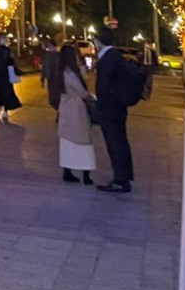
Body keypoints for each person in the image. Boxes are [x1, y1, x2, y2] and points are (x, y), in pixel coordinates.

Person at [93, 26, 134, 193]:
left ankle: (120, 180)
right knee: (121, 142)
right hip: (119, 107)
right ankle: (124, 177)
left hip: (110, 109)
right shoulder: (117, 56)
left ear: (98, 42)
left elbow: (103, 86)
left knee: (115, 144)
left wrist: (99, 106)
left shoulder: (107, 59)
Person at [49, 43, 96, 184]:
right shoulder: (69, 73)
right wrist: (91, 96)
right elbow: (82, 91)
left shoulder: (62, 72)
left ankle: (68, 171)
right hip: (76, 109)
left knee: (68, 142)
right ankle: (85, 174)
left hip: (66, 109)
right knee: (82, 142)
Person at [0, 33, 22, 123]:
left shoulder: (7, 50)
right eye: (3, 38)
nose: (4, 40)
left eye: (5, 39)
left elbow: (11, 62)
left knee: (6, 92)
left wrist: (16, 70)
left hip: (5, 75)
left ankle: (5, 110)